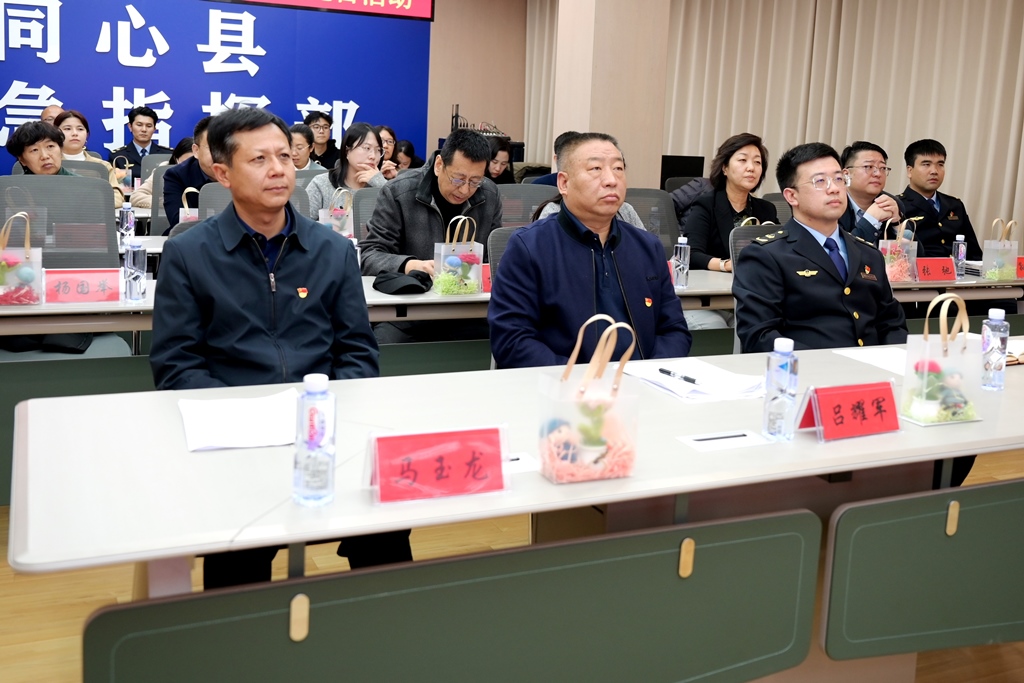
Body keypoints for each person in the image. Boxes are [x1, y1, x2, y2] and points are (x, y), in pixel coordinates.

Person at [149, 107, 411, 590]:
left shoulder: (332, 250)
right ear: (223, 174)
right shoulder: (188, 253)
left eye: (285, 157)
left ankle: (384, 618)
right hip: (235, 437)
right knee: (239, 549)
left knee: (387, 517)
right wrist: (245, 422)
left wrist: (323, 417)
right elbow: (176, 364)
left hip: (325, 428)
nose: (278, 170)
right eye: (259, 159)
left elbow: (357, 351)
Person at [489, 132, 691, 369]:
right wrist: (581, 380)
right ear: (564, 183)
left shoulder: (647, 246)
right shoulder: (529, 247)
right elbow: (511, 339)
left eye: (618, 168)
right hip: (565, 383)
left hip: (640, 383)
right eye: (596, 169)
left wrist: (649, 374)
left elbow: (674, 330)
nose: (611, 180)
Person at [733, 142, 907, 353]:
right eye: (820, 181)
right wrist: (830, 365)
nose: (834, 188)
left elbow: (892, 323)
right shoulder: (766, 255)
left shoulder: (869, 253)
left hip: (874, 367)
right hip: (808, 369)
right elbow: (759, 336)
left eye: (839, 179)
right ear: (792, 196)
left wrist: (892, 359)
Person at [684, 133, 778, 274]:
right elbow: (691, 255)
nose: (751, 168)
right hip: (717, 282)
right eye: (742, 160)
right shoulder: (706, 205)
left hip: (757, 281)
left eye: (757, 162)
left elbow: (780, 250)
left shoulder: (767, 209)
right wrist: (727, 265)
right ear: (725, 168)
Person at [899, 139, 982, 259]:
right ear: (909, 171)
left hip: (957, 270)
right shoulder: (898, 206)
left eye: (940, 164)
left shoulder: (955, 205)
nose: (934, 171)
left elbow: (974, 254)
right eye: (926, 164)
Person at [306, 122, 387, 220]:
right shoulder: (321, 184)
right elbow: (302, 224)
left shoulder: (382, 186)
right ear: (347, 151)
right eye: (367, 148)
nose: (373, 156)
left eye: (378, 150)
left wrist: (380, 183)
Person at [838, 141, 905, 244]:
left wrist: (897, 222)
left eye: (883, 168)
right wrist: (871, 220)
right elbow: (841, 250)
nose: (878, 174)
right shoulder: (834, 204)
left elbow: (916, 252)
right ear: (846, 174)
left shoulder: (891, 203)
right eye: (868, 167)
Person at [55, 110, 124, 208]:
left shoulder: (102, 166)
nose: (75, 133)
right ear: (56, 133)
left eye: (80, 129)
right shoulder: (50, 165)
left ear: (87, 134)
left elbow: (117, 197)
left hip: (94, 215)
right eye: (67, 129)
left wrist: (88, 205)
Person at [163, 116, 217, 232]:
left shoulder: (243, 173)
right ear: (196, 151)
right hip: (191, 239)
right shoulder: (177, 175)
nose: (220, 155)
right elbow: (179, 222)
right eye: (213, 148)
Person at [107, 105, 172, 184]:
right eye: (139, 125)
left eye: (149, 126)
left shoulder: (167, 155)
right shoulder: (118, 156)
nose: (144, 129)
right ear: (130, 127)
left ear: (154, 129)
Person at [130, 137, 194, 209]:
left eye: (196, 162)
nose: (190, 167)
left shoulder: (204, 172)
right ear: (176, 160)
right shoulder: (163, 171)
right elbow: (136, 196)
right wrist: (167, 202)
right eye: (186, 162)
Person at [6, 121, 74, 176]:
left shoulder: (79, 184)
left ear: (61, 150)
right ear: (22, 160)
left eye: (50, 146)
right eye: (34, 150)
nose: (45, 156)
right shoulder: (12, 187)